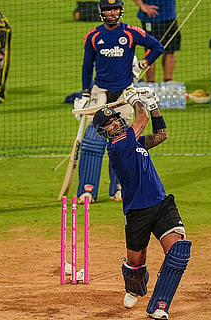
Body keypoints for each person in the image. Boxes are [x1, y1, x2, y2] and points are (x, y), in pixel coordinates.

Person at [92, 87, 191, 320]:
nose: (115, 124)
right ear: (103, 132)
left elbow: (161, 134)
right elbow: (142, 118)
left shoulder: (134, 141)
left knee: (177, 253)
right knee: (136, 263)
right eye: (109, 124)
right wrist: (138, 100)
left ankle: (160, 306)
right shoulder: (118, 147)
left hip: (161, 204)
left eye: (116, 119)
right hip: (137, 212)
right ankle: (134, 288)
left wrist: (154, 105)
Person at [75, 0, 164, 204]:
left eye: (115, 9)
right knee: (92, 141)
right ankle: (87, 190)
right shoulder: (93, 36)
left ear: (121, 10)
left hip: (125, 93)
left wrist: (143, 64)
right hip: (101, 91)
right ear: (102, 12)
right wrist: (86, 94)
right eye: (108, 9)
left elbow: (157, 47)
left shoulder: (131, 32)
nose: (112, 13)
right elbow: (87, 66)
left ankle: (120, 187)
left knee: (124, 140)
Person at [132, 0, 180, 83]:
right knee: (151, 51)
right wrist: (141, 5)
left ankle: (168, 83)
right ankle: (151, 84)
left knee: (170, 50)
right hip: (152, 18)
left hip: (170, 16)